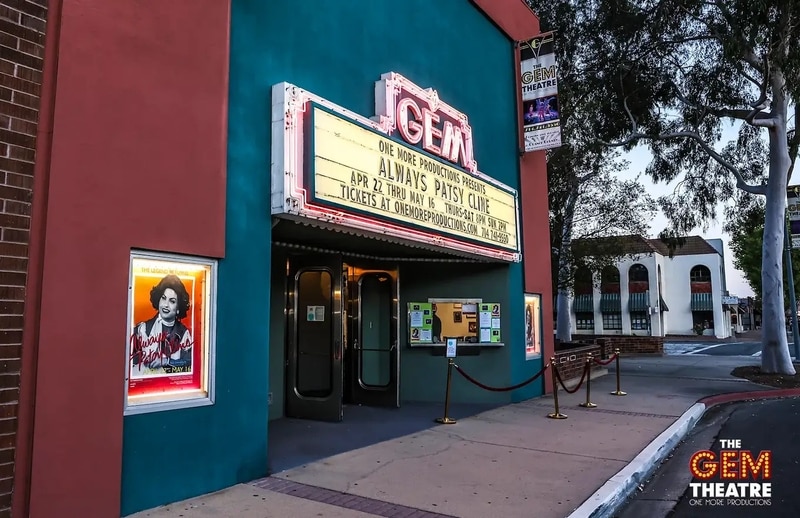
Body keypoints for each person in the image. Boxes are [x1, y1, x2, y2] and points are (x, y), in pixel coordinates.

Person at [130, 274, 193, 376]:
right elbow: (127, 359)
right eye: (163, 298)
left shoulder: (184, 333)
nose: (165, 305)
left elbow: (189, 364)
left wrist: (166, 361)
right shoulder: (142, 329)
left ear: (178, 308)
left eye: (172, 301)